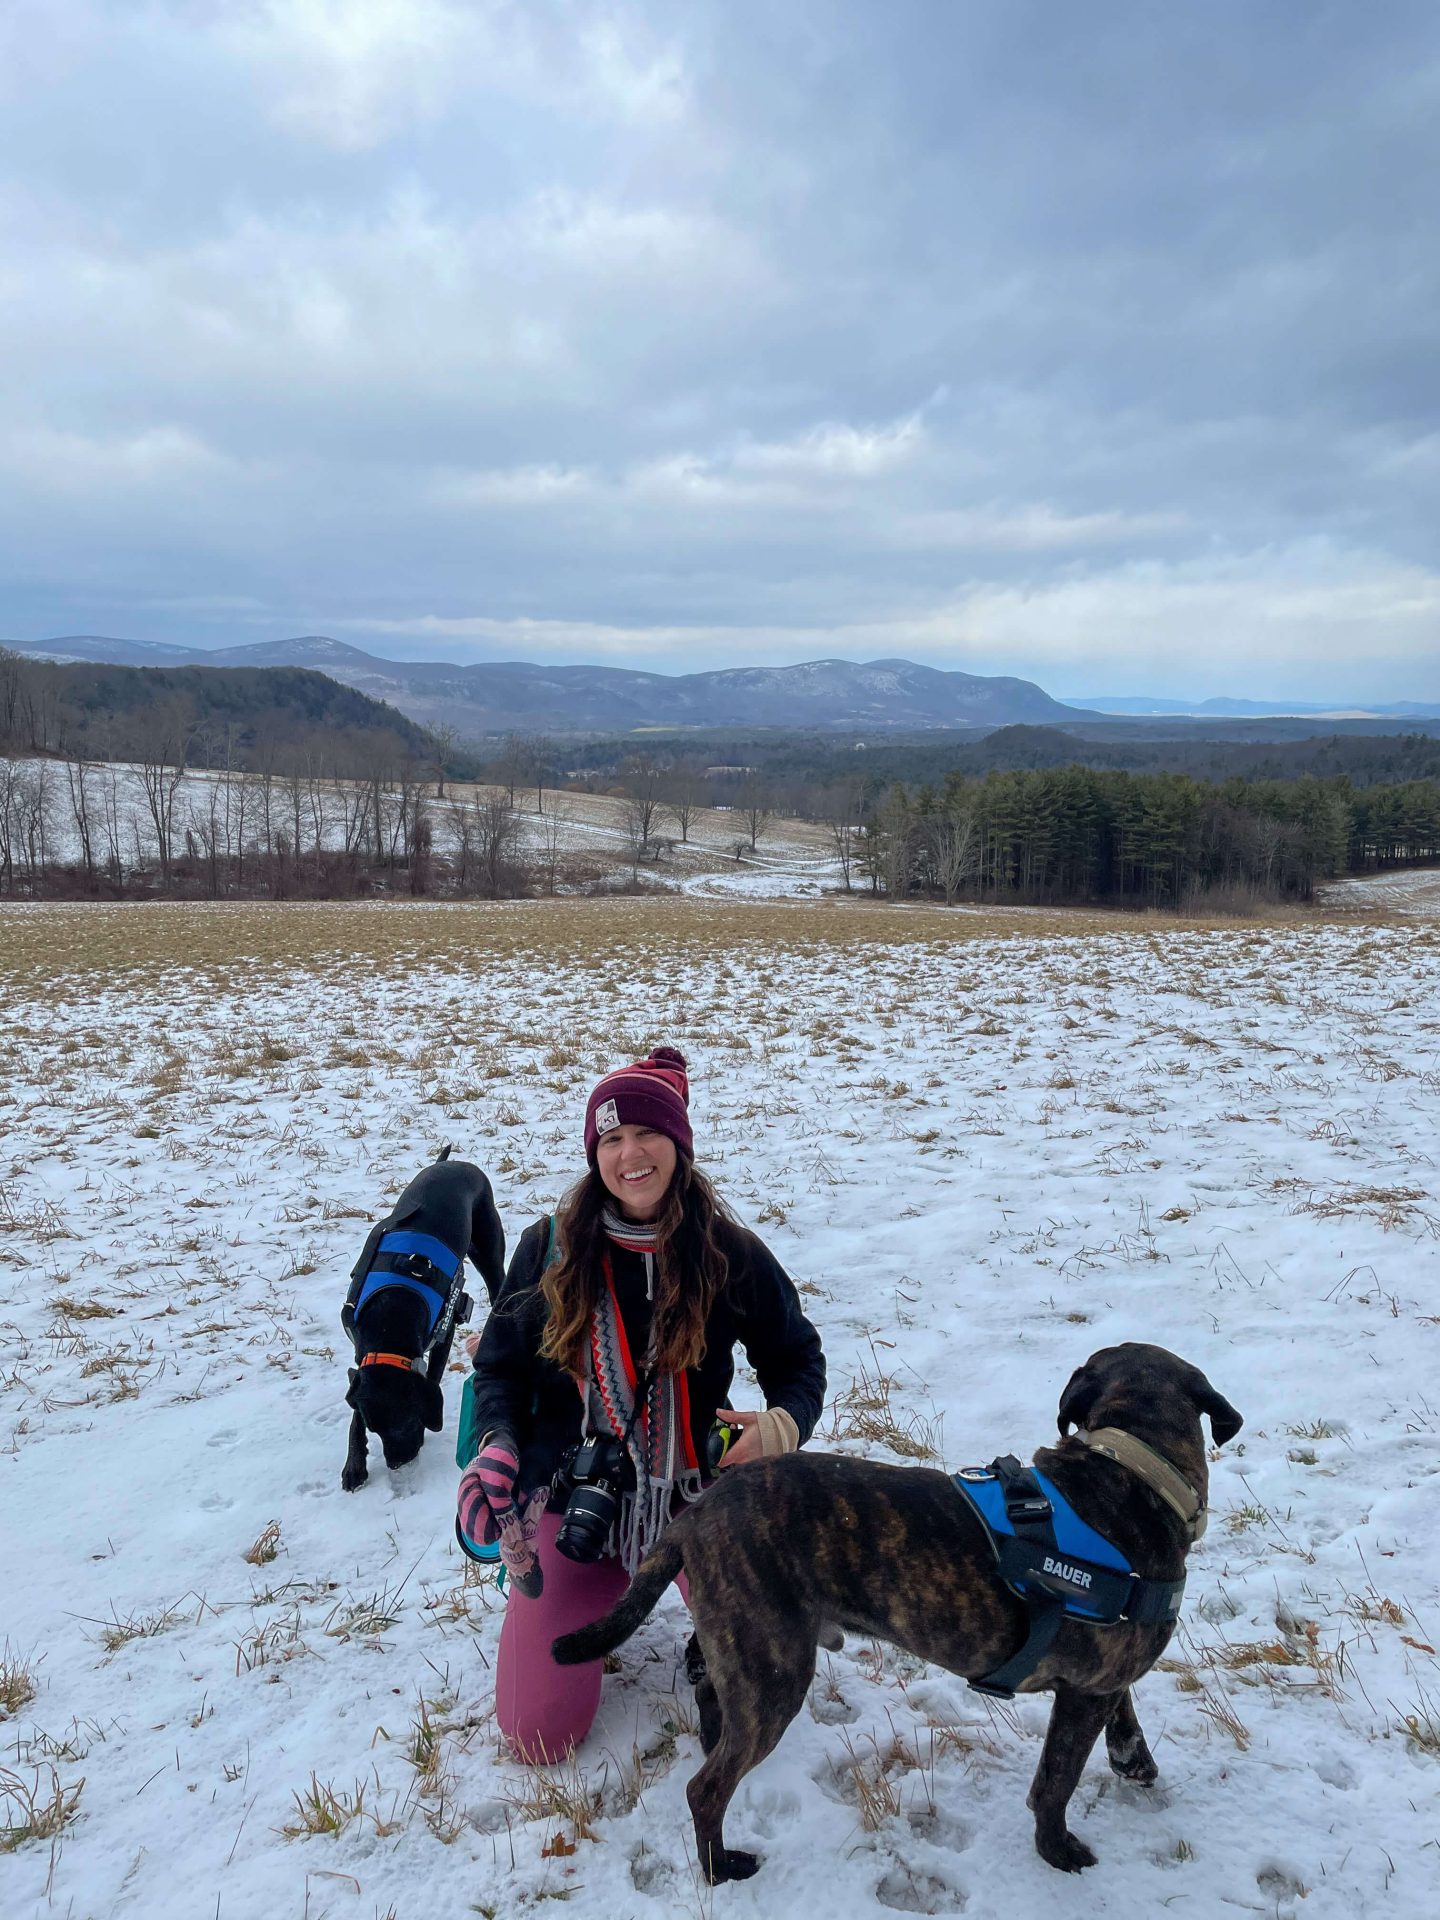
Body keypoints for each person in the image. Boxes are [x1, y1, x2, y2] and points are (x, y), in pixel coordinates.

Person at [458, 1045, 826, 1761]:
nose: (631, 1154)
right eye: (612, 1138)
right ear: (595, 1151)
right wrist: (498, 1446)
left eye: (648, 1134)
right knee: (537, 1735)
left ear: (679, 1144)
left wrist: (783, 1424)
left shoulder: (727, 1252)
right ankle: (582, 1602)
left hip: (697, 1500)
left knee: (765, 1684)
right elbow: (497, 1371)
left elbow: (798, 1361)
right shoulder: (550, 1248)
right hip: (574, 1502)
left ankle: (714, 1623)